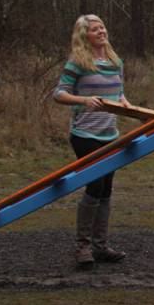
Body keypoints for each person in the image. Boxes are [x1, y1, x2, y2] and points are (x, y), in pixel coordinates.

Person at [53, 14, 130, 268]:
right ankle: (83, 247)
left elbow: (118, 92)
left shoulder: (114, 60)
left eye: (103, 27)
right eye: (95, 29)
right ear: (84, 35)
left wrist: (125, 103)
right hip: (85, 134)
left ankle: (101, 246)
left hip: (110, 134)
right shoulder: (78, 62)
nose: (101, 32)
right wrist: (83, 100)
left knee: (106, 188)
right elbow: (59, 93)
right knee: (94, 185)